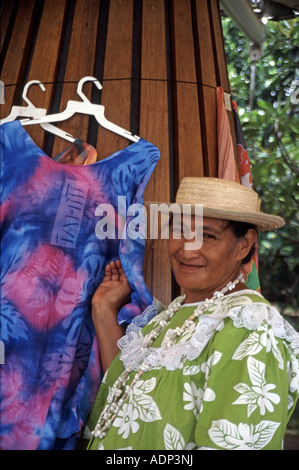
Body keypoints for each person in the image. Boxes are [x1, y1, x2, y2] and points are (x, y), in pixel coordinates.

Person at [85, 177, 299, 450]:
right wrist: (103, 311)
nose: (187, 248)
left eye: (207, 236)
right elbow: (126, 391)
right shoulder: (172, 316)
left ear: (244, 245)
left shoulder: (249, 326)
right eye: (179, 230)